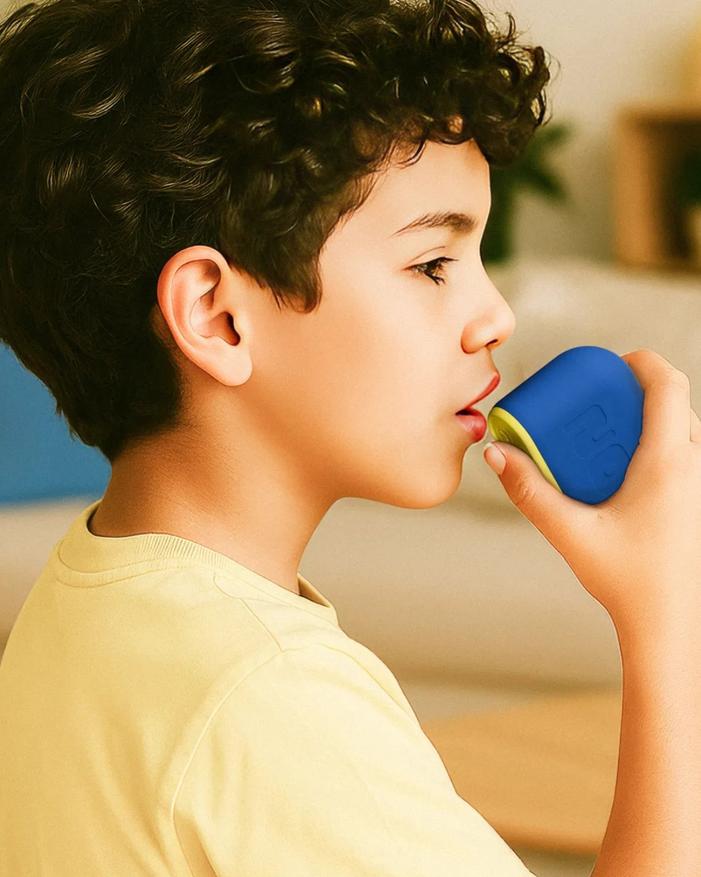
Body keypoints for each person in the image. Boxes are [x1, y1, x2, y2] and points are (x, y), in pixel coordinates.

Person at [1, 0, 699, 875]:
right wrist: (671, 618)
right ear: (216, 317)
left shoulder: (78, 610)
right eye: (432, 263)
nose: (495, 315)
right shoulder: (269, 693)